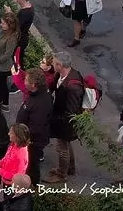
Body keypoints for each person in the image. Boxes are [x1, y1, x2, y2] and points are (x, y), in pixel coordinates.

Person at [44, 51, 84, 184]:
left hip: (66, 121)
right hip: (62, 117)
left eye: (54, 63)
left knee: (62, 147)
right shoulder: (63, 74)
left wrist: (55, 119)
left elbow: (71, 111)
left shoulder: (73, 87)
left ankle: (62, 174)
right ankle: (70, 168)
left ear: (60, 65)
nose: (52, 65)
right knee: (66, 143)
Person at [15, 68, 52, 185]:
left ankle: (33, 186)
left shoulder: (40, 103)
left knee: (31, 165)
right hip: (28, 137)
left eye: (26, 80)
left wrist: (23, 137)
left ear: (33, 85)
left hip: (32, 141)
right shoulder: (37, 95)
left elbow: (36, 126)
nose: (24, 82)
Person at [0, 12, 19, 112]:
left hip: (4, 67)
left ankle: (3, 104)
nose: (1, 24)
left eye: (3, 23)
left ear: (10, 25)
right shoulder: (3, 31)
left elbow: (8, 54)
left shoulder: (12, 38)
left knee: (3, 86)